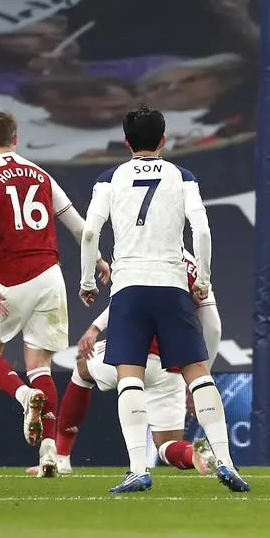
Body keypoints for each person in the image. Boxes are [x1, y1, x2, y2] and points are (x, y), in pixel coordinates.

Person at [78, 105, 248, 494]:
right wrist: (202, 279)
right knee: (198, 374)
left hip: (129, 287)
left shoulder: (110, 178)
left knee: (129, 377)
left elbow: (90, 234)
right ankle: (226, 460)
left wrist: (88, 282)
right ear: (164, 140)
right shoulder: (181, 175)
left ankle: (139, 469)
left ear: (125, 142)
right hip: (172, 284)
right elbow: (201, 230)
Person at [0, 111, 110, 477]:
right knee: (40, 367)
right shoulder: (40, 174)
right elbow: (79, 223)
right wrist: (98, 261)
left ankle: (23, 396)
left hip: (9, 280)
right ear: (17, 138)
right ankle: (48, 453)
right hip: (50, 277)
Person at [40, 249, 221, 477]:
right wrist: (203, 377)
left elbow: (125, 299)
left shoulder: (138, 248)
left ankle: (61, 457)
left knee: (82, 367)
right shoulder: (193, 264)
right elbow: (213, 327)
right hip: (173, 366)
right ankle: (193, 453)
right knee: (167, 445)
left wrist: (95, 327)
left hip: (134, 354)